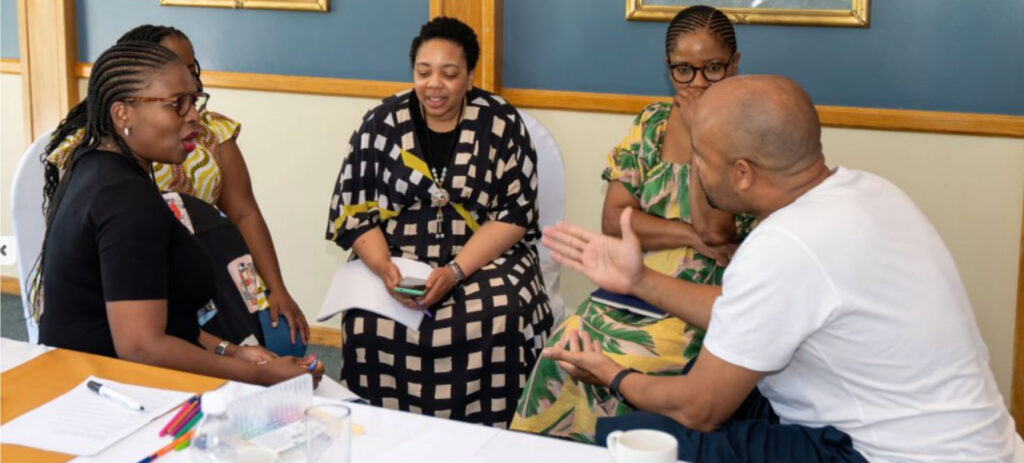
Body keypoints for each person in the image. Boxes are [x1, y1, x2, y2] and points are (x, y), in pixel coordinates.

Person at [541, 75, 1022, 461]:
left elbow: (699, 409)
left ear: (743, 173)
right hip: (976, 444)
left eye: (701, 160)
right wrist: (639, 280)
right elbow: (745, 312)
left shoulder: (785, 244)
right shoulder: (869, 192)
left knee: (635, 438)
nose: (695, 174)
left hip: (886, 454)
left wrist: (612, 375)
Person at [511, 6, 752, 441]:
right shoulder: (653, 123)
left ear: (735, 63)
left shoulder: (752, 129)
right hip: (632, 277)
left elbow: (719, 232)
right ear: (668, 68)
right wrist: (691, 236)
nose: (697, 82)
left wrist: (704, 134)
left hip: (706, 293)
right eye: (684, 70)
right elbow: (615, 219)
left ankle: (626, 448)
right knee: (565, 348)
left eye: (713, 68)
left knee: (631, 360)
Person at [36, 41, 323, 387]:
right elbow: (142, 347)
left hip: (90, 377)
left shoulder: (93, 165)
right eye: (177, 104)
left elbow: (155, 315)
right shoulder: (125, 199)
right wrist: (258, 376)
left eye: (195, 102)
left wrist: (229, 352)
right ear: (122, 114)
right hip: (107, 393)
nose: (194, 116)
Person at [325, 17, 553, 427]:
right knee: (367, 319)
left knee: (502, 313)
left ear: (469, 76)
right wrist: (384, 269)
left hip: (483, 254)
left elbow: (516, 214)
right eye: (423, 72)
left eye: (449, 74)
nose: (435, 84)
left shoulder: (500, 122)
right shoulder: (381, 122)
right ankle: (381, 432)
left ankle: (494, 435)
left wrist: (454, 270)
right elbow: (355, 209)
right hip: (399, 254)